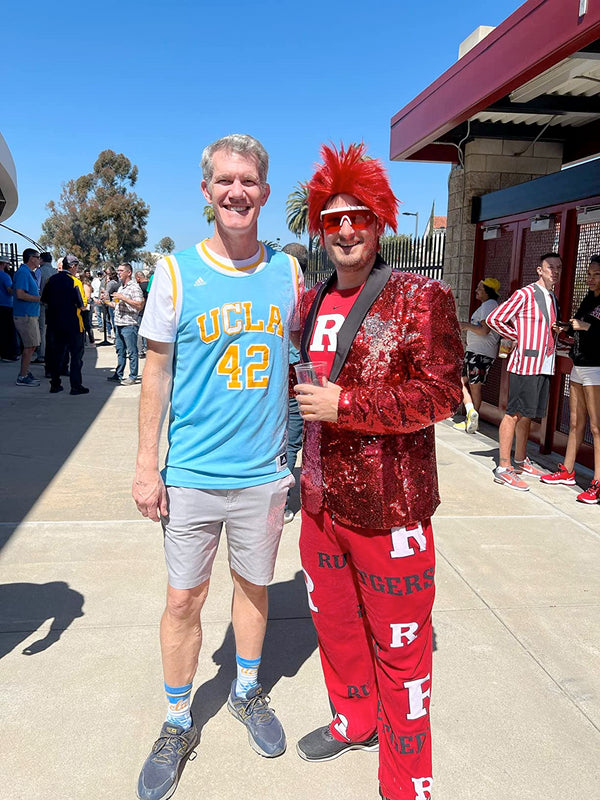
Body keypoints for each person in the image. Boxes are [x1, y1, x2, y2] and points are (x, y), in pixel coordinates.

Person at [132, 133, 302, 800]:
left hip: (263, 472)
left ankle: (247, 689)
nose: (238, 191)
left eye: (249, 180)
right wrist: (148, 465)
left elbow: (303, 361)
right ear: (207, 192)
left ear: (263, 190)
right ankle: (178, 718)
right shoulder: (176, 272)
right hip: (193, 474)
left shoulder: (288, 273)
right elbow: (155, 371)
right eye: (225, 180)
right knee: (183, 598)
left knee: (255, 587)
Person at [293, 143, 462, 800]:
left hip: (392, 514)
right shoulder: (309, 301)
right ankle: (353, 719)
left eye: (357, 216)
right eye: (332, 219)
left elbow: (442, 395)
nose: (344, 230)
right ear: (319, 227)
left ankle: (406, 784)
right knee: (334, 629)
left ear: (380, 221)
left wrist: (348, 405)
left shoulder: (423, 296)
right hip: (320, 504)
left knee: (401, 658)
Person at [486, 253, 563, 491]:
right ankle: (504, 467)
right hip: (525, 363)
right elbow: (494, 318)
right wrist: (519, 337)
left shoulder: (551, 297)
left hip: (544, 363)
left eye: (559, 267)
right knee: (514, 413)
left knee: (528, 413)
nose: (555, 271)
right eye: (551, 267)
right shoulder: (525, 293)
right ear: (539, 270)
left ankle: (519, 460)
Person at [540, 255, 600, 503]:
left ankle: (597, 483)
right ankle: (567, 470)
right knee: (575, 422)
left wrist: (585, 327)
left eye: (596, 274)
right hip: (579, 364)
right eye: (589, 273)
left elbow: (591, 328)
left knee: (597, 428)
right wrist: (567, 327)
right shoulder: (588, 298)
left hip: (596, 368)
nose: (591, 278)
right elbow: (582, 325)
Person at [281, 242, 309, 523]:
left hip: (270, 379)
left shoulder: (269, 295)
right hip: (298, 379)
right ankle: (284, 504)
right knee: (291, 443)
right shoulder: (311, 299)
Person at [453, 277, 500, 433]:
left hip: (481, 353)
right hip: (476, 352)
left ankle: (472, 419)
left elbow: (484, 330)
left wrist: (466, 326)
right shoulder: (487, 306)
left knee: (475, 387)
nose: (476, 291)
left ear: (488, 292)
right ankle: (471, 411)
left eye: (480, 288)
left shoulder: (489, 305)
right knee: (461, 380)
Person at [42, 254, 89, 395]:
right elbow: (82, 304)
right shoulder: (75, 282)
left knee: (57, 355)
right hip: (73, 325)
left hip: (54, 324)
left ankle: (55, 384)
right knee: (76, 357)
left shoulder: (51, 280)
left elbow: (44, 300)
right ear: (73, 266)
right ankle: (76, 386)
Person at [106, 263, 144, 385]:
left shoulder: (134, 287)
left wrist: (124, 298)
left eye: (121, 270)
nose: (119, 272)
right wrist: (106, 301)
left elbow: (139, 305)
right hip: (119, 323)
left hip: (129, 324)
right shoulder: (121, 287)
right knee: (120, 351)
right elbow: (117, 305)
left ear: (129, 272)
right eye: (118, 270)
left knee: (132, 351)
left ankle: (132, 376)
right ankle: (118, 374)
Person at [13, 248, 42, 387]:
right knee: (30, 345)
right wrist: (39, 298)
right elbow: (20, 294)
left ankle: (25, 371)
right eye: (38, 257)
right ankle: (23, 376)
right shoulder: (23, 273)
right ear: (31, 258)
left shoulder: (28, 273)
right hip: (25, 315)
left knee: (33, 345)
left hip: (30, 314)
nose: (39, 260)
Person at [34, 252, 56, 363]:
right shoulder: (55, 272)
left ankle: (41, 354)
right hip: (54, 305)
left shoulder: (39, 271)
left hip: (42, 304)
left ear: (42, 260)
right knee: (52, 330)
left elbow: (36, 288)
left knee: (41, 330)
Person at [0, 254, 18, 361]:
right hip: (6, 305)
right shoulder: (5, 276)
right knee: (8, 331)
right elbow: (10, 291)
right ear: (3, 264)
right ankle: (8, 354)